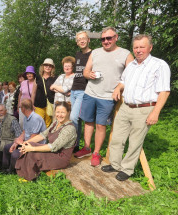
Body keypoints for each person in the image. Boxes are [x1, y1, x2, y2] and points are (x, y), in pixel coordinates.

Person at [101, 34, 170, 181]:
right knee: (116, 138)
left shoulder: (159, 65)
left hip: (144, 109)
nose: (138, 50)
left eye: (142, 47)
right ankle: (115, 164)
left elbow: (164, 91)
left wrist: (155, 112)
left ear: (150, 48)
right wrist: (118, 88)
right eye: (136, 47)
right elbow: (123, 81)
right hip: (126, 106)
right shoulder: (131, 65)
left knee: (135, 141)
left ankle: (127, 169)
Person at [75, 26, 134, 167]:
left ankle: (96, 153)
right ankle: (86, 148)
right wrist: (88, 74)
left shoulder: (125, 54)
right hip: (90, 92)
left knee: (101, 125)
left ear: (116, 37)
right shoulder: (95, 52)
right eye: (103, 39)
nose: (106, 41)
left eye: (109, 38)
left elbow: (132, 76)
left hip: (108, 97)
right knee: (88, 121)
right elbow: (85, 71)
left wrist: (120, 87)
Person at [15, 101, 77, 181]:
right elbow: (43, 135)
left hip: (60, 157)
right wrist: (26, 143)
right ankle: (24, 173)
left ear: (68, 112)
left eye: (63, 112)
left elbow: (53, 146)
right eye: (57, 112)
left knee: (32, 153)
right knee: (28, 146)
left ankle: (29, 178)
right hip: (53, 151)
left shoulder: (69, 129)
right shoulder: (56, 122)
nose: (59, 115)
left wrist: (32, 148)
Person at [2, 99, 46, 174]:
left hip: (34, 145)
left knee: (15, 154)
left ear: (23, 109)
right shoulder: (26, 117)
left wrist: (22, 143)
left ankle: (13, 172)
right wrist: (15, 143)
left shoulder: (36, 119)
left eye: (20, 107)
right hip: (26, 142)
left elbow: (33, 139)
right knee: (7, 147)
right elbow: (24, 133)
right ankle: (6, 169)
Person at [70, 31, 92, 152]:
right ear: (77, 42)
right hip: (74, 90)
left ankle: (73, 142)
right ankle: (76, 145)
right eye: (79, 39)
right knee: (76, 119)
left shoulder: (93, 54)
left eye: (83, 38)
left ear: (88, 40)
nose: (81, 41)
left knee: (73, 117)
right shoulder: (78, 54)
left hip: (84, 90)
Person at [0, 104, 22, 169]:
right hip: (1, 141)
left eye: (1, 111)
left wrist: (15, 144)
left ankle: (3, 167)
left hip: (11, 142)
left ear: (6, 111)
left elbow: (19, 134)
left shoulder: (12, 120)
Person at [31, 58, 56, 127]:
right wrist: (31, 104)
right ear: (43, 66)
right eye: (46, 65)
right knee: (38, 123)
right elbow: (33, 92)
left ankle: (45, 138)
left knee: (47, 125)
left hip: (50, 105)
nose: (47, 67)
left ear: (52, 68)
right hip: (38, 105)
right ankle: (37, 137)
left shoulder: (55, 78)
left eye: (50, 66)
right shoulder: (37, 78)